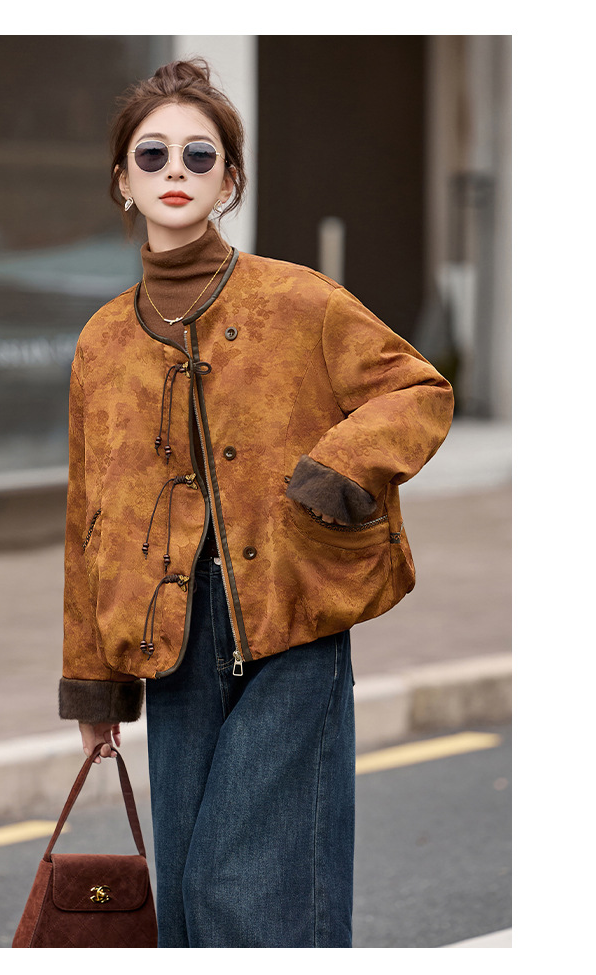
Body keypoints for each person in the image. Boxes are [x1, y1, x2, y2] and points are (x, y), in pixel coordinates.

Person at [58, 58, 454, 948]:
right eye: (152, 154)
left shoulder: (299, 299)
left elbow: (419, 390)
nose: (175, 171)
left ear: (229, 181)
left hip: (290, 620)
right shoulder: (102, 341)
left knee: (245, 887)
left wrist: (334, 473)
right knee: (188, 900)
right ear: (122, 180)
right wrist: (95, 682)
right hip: (167, 637)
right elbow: (88, 516)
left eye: (199, 156)